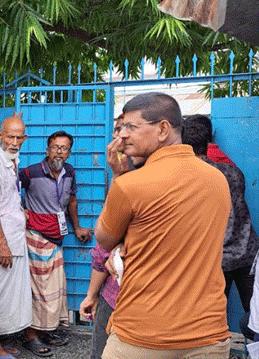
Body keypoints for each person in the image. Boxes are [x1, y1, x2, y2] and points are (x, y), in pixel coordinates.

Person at [96, 92, 231, 358]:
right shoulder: (217, 179)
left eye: (131, 127)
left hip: (142, 336)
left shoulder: (130, 184)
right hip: (208, 334)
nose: (121, 136)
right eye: (121, 127)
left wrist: (117, 176)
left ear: (163, 129)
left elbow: (104, 238)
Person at [19, 130, 92, 355]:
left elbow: (72, 199)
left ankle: (45, 331)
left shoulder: (69, 171)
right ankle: (30, 335)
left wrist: (77, 226)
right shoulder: (30, 173)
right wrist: (20, 211)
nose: (59, 152)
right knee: (38, 289)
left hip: (57, 238)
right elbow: (7, 192)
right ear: (47, 150)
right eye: (55, 147)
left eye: (64, 148)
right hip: (35, 237)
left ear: (69, 153)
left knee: (53, 290)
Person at [79, 115, 146, 359]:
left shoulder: (129, 184)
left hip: (120, 296)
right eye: (118, 131)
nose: (120, 138)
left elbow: (103, 245)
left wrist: (91, 294)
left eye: (127, 131)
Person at [182, 115, 259, 319]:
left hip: (214, 258)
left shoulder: (189, 177)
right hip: (247, 253)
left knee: (211, 319)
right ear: (209, 141)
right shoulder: (233, 171)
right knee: (256, 317)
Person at [0, 114, 32, 359]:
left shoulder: (13, 161)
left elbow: (7, 200)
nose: (14, 141)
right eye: (9, 136)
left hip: (13, 237)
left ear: (24, 138)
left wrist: (21, 212)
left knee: (9, 295)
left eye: (18, 137)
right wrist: (2, 243)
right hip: (0, 242)